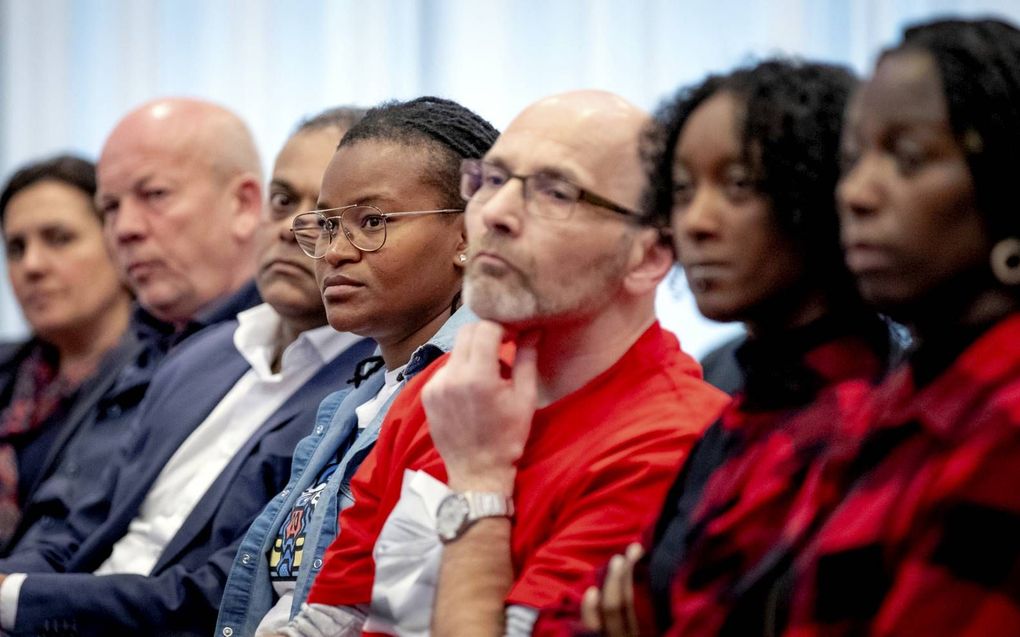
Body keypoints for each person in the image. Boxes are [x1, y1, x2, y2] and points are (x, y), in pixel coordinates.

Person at [280, 90, 729, 637]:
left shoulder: (673, 441)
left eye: (555, 192)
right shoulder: (452, 384)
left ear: (649, 257)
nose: (495, 214)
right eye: (491, 181)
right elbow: (329, 619)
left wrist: (478, 484)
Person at [0, 107, 376, 635]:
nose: (295, 229)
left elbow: (225, 593)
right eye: (284, 200)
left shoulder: (369, 396)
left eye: (332, 214)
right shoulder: (203, 353)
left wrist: (17, 599)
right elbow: (78, 527)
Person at [564, 58, 894, 637]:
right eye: (683, 191)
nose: (696, 221)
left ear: (819, 189)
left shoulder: (866, 423)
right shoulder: (741, 401)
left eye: (738, 185)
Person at [215, 96, 499, 637]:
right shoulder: (356, 399)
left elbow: (381, 613)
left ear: (468, 234)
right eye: (325, 225)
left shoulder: (469, 393)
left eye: (371, 221)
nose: (333, 253)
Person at [780, 18, 1020, 636]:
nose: (856, 193)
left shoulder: (1008, 427)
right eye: (854, 158)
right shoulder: (902, 397)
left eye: (908, 159)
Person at [3, 97, 265, 553]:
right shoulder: (154, 344)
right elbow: (68, 528)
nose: (125, 228)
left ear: (244, 204)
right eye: (111, 207)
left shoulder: (285, 343)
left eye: (155, 195)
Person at [0, 155, 133, 543]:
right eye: (16, 248)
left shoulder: (163, 375)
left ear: (117, 240)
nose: (32, 265)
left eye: (59, 238)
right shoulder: (9, 372)